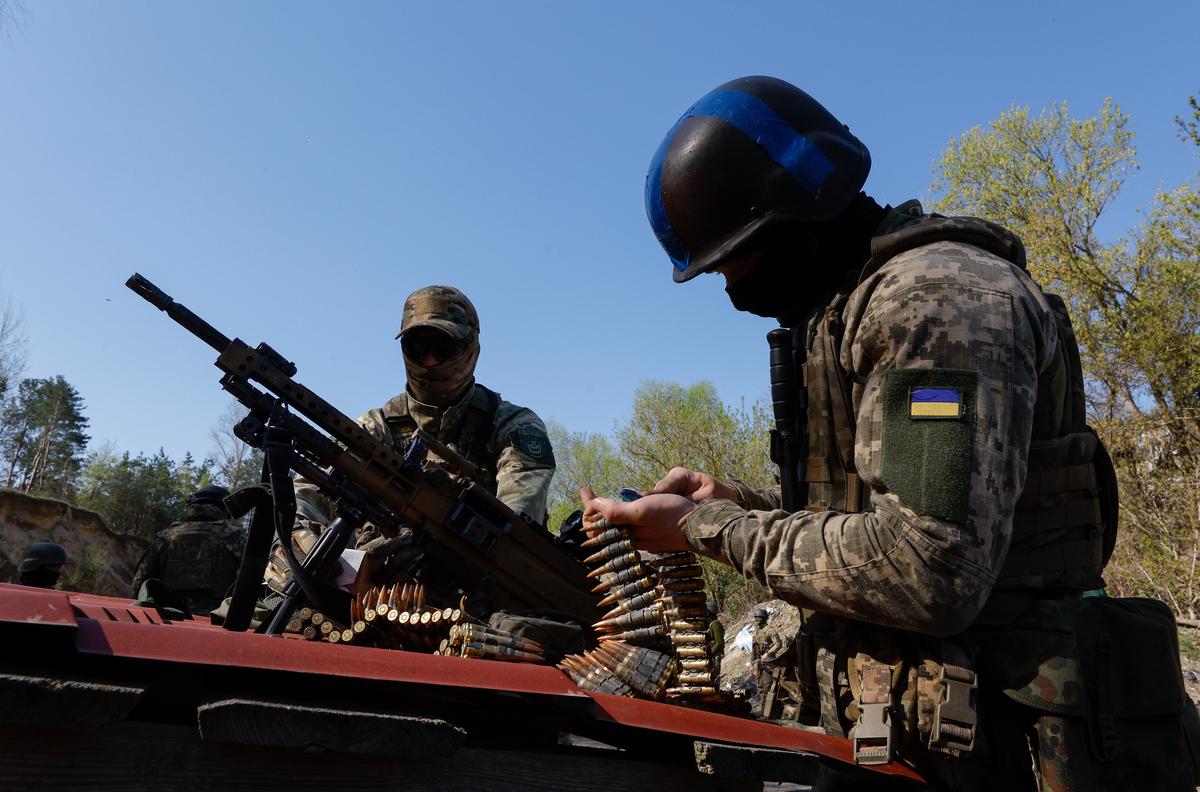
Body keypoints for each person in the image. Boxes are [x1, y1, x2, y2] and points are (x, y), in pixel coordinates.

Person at [583, 76, 1198, 789]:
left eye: (737, 259)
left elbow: (925, 567)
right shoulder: (857, 308)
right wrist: (740, 502)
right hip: (918, 742)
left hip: (1010, 752)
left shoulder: (936, 305)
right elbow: (870, 518)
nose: (729, 290)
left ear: (795, 216)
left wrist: (706, 528)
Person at [275, 285, 556, 591]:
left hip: (483, 593)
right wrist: (300, 537)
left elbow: (516, 527)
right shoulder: (375, 428)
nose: (431, 361)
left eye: (443, 346)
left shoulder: (513, 426)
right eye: (418, 347)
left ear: (471, 347)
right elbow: (311, 492)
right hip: (379, 595)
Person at [132, 485, 243, 616]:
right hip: (217, 618)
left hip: (169, 617)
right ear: (225, 508)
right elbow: (252, 580)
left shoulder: (165, 537)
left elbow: (139, 582)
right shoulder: (233, 536)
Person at [749, 608, 786, 718]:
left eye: (759, 617)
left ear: (764, 619)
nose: (757, 620)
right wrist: (751, 664)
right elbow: (754, 649)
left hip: (769, 663)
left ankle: (767, 713)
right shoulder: (756, 632)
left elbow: (778, 644)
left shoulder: (770, 630)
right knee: (760, 687)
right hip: (760, 663)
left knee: (767, 687)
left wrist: (768, 653)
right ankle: (763, 710)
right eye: (756, 617)